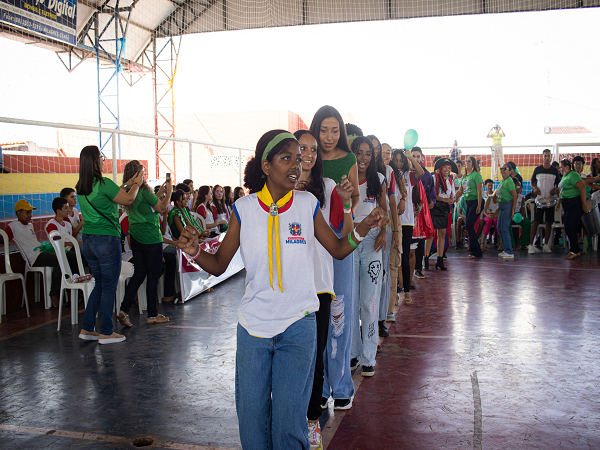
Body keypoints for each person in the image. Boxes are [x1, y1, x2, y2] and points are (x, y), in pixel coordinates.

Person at [176, 129, 384, 450]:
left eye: (298, 160)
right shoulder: (243, 210)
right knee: (253, 423)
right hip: (253, 330)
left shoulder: (307, 205)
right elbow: (218, 264)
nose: (295, 167)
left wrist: (363, 227)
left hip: (298, 327)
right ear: (266, 165)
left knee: (289, 425)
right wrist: (194, 251)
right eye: (286, 158)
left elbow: (339, 249)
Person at [293, 129, 354, 450]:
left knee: (314, 358)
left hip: (318, 286)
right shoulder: (277, 189)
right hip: (285, 287)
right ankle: (288, 417)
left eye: (313, 150)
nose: (308, 154)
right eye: (301, 147)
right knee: (290, 357)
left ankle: (311, 419)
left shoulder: (327, 188)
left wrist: (345, 204)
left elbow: (342, 236)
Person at [309, 105, 360, 412]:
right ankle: (316, 385)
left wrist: (347, 196)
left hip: (340, 240)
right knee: (315, 316)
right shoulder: (307, 158)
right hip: (309, 245)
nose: (329, 137)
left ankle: (340, 385)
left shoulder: (349, 159)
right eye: (324, 130)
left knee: (339, 314)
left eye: (335, 130)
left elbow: (353, 198)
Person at [76, 145, 144, 344]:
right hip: (106, 239)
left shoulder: (81, 186)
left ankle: (88, 328)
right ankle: (106, 331)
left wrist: (129, 182)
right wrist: (137, 184)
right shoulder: (104, 183)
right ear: (95, 161)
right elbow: (129, 199)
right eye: (101, 157)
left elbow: (112, 194)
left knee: (100, 284)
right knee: (109, 286)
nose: (104, 160)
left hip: (88, 240)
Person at [117, 160, 173, 327]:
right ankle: (153, 315)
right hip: (150, 237)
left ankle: (124, 309)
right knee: (153, 275)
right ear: (139, 174)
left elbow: (145, 205)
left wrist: (159, 194)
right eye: (143, 172)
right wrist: (168, 193)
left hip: (136, 237)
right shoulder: (144, 189)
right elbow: (162, 209)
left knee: (139, 273)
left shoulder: (129, 191)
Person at [350, 136, 387, 378]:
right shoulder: (344, 181)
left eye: (367, 154)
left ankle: (369, 356)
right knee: (350, 301)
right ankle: (352, 353)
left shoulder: (378, 180)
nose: (363, 158)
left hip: (372, 242)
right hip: (350, 240)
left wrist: (383, 230)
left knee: (369, 302)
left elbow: (384, 210)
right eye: (359, 153)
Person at [5, 199, 79, 309]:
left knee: (73, 257)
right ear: (19, 214)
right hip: (34, 257)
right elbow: (3, 238)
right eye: (27, 212)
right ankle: (54, 295)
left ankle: (73, 292)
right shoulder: (12, 226)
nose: (30, 215)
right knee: (59, 259)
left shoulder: (29, 225)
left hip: (42, 252)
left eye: (31, 212)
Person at [367, 134, 397, 339]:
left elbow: (391, 201)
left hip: (382, 228)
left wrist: (391, 229)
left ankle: (381, 319)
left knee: (383, 275)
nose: (376, 153)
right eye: (373, 149)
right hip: (364, 232)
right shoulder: (356, 169)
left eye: (378, 149)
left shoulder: (386, 172)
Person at [390, 149, 424, 305]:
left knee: (404, 257)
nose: (398, 162)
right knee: (394, 257)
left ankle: (407, 292)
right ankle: (395, 291)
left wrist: (411, 157)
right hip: (393, 220)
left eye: (401, 160)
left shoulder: (409, 176)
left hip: (407, 220)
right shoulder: (390, 174)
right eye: (395, 159)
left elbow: (421, 172)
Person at [529, 149, 561, 254]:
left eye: (549, 156)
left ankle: (546, 244)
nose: (547, 158)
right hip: (539, 200)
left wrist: (555, 190)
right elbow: (532, 182)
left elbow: (559, 185)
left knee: (548, 222)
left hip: (550, 201)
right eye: (545, 156)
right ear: (542, 157)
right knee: (536, 222)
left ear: (551, 157)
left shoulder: (555, 171)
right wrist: (535, 189)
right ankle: (530, 246)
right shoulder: (537, 169)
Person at [410, 147, 435, 276]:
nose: (416, 158)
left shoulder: (427, 175)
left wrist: (430, 202)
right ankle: (405, 274)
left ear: (422, 157)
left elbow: (431, 193)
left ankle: (418, 269)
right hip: (408, 213)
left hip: (421, 213)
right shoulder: (405, 173)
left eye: (418, 156)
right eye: (413, 156)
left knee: (419, 241)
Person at [557, 159, 588, 259]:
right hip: (567, 205)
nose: (560, 169)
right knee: (569, 227)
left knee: (570, 226)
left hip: (575, 204)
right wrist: (558, 203)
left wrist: (583, 203)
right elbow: (562, 191)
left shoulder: (573, 175)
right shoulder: (564, 176)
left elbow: (582, 187)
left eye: (561, 167)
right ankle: (575, 249)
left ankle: (574, 250)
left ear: (566, 167)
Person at [454, 156, 483, 258]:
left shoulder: (476, 175)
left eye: (469, 161)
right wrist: (453, 198)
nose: (466, 163)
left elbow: (479, 191)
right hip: (468, 203)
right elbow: (460, 191)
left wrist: (479, 205)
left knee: (469, 225)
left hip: (475, 202)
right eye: (465, 161)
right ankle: (475, 250)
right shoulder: (465, 177)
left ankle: (476, 251)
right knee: (469, 226)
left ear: (473, 164)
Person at [432, 158, 457, 270]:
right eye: (445, 168)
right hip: (435, 207)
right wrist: (445, 200)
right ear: (441, 168)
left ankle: (440, 258)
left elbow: (453, 195)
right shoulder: (434, 178)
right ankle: (426, 257)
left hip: (444, 209)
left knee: (442, 234)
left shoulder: (450, 180)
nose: (447, 170)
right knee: (432, 234)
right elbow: (432, 196)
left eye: (449, 168)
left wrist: (452, 199)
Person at [494, 164, 518, 258]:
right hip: (502, 206)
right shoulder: (502, 181)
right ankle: (505, 249)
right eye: (501, 169)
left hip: (508, 206)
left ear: (510, 171)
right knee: (500, 227)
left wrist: (512, 210)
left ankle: (509, 251)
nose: (502, 170)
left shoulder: (509, 181)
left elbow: (514, 196)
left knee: (504, 228)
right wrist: (498, 208)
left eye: (505, 169)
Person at [481, 179, 499, 251]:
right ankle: (482, 243)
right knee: (488, 222)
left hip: (494, 215)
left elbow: (498, 209)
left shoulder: (496, 196)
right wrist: (488, 216)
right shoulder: (484, 195)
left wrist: (495, 215)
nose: (490, 187)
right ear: (485, 186)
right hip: (486, 215)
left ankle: (500, 243)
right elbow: (484, 210)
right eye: (489, 185)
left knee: (497, 221)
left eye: (491, 185)